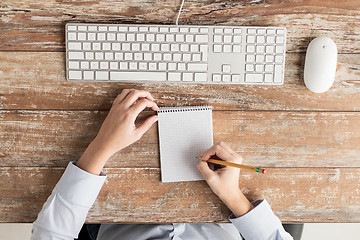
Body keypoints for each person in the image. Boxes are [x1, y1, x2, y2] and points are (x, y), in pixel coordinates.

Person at [30, 89, 293, 240]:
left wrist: (102, 146)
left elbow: (50, 235)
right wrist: (234, 197)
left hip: (121, 207)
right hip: (220, 208)